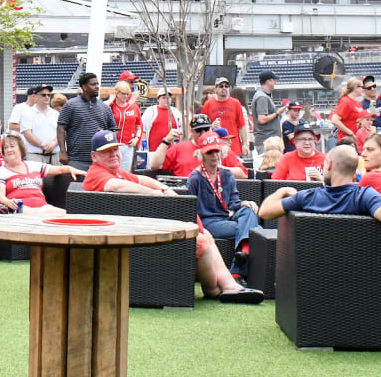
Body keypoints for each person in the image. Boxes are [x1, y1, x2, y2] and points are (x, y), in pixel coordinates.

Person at [85, 129, 265, 304]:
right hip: (130, 233)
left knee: (215, 230)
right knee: (201, 239)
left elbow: (141, 180)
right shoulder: (99, 174)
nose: (113, 154)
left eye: (115, 149)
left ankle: (230, 283)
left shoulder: (225, 174)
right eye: (106, 152)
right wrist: (155, 194)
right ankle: (215, 289)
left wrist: (164, 189)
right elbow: (115, 186)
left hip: (195, 221)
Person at [260, 146, 381, 229]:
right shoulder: (364, 196)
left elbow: (265, 211)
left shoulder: (307, 197)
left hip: (313, 275)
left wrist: (283, 190)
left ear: (329, 165)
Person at [187, 131, 261, 277]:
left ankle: (242, 255)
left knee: (249, 210)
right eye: (210, 152)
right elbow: (191, 209)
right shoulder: (195, 178)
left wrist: (244, 203)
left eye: (217, 151)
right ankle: (238, 267)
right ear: (202, 155)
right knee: (256, 229)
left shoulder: (226, 174)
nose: (214, 155)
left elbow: (233, 203)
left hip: (226, 217)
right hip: (208, 223)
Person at [0, 132, 83, 216]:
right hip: (20, 209)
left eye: (12, 146)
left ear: (21, 149)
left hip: (42, 207)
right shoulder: (1, 171)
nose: (9, 150)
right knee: (35, 215)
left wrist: (71, 169)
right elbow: (0, 196)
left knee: (66, 215)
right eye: (6, 147)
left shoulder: (33, 165)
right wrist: (8, 202)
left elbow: (59, 170)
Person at [150, 114, 244, 179]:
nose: (203, 133)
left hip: (212, 193)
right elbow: (155, 165)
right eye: (199, 130)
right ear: (192, 131)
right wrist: (166, 141)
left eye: (206, 129)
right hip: (185, 195)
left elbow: (243, 173)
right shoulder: (179, 148)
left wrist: (217, 168)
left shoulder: (220, 148)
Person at [57, 72, 115, 170]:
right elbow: (61, 128)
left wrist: (105, 135)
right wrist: (63, 151)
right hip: (76, 159)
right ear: (84, 87)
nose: (97, 87)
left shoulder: (105, 108)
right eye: (93, 84)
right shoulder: (70, 105)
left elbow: (114, 129)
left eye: (97, 84)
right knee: (77, 185)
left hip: (100, 159)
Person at [9, 84, 60, 163]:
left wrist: (54, 143)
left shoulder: (56, 114)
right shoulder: (27, 113)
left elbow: (61, 132)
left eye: (49, 95)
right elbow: (28, 133)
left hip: (54, 155)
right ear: (36, 96)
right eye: (43, 95)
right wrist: (42, 145)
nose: (47, 97)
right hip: (35, 156)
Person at [204, 78, 248, 156]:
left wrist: (245, 144)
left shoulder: (236, 103)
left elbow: (241, 126)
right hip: (216, 147)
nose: (224, 88)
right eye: (221, 86)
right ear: (216, 89)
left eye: (226, 86)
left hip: (234, 147)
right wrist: (211, 126)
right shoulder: (208, 104)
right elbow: (204, 128)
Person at [139, 85, 184, 156]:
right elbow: (143, 130)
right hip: (153, 150)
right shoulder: (150, 111)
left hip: (172, 150)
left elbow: (181, 131)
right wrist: (144, 145)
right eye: (164, 98)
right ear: (158, 99)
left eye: (168, 98)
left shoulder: (176, 112)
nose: (166, 100)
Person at [107, 81, 142, 169]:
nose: (126, 96)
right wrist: (111, 99)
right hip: (112, 144)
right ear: (117, 93)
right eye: (123, 94)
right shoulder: (112, 106)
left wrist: (136, 139)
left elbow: (139, 127)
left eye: (127, 94)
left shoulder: (133, 107)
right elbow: (99, 109)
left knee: (125, 172)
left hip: (127, 145)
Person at [332, 77, 376, 148]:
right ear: (356, 88)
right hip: (347, 140)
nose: (363, 89)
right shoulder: (345, 101)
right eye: (362, 87)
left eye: (374, 86)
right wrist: (350, 132)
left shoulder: (357, 103)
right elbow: (334, 120)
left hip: (357, 140)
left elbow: (369, 115)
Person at [250, 72, 284, 154]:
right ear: (268, 81)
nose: (275, 82)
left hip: (269, 140)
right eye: (273, 80)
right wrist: (277, 113)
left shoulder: (264, 95)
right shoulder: (262, 97)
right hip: (266, 141)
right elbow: (262, 119)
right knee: (269, 165)